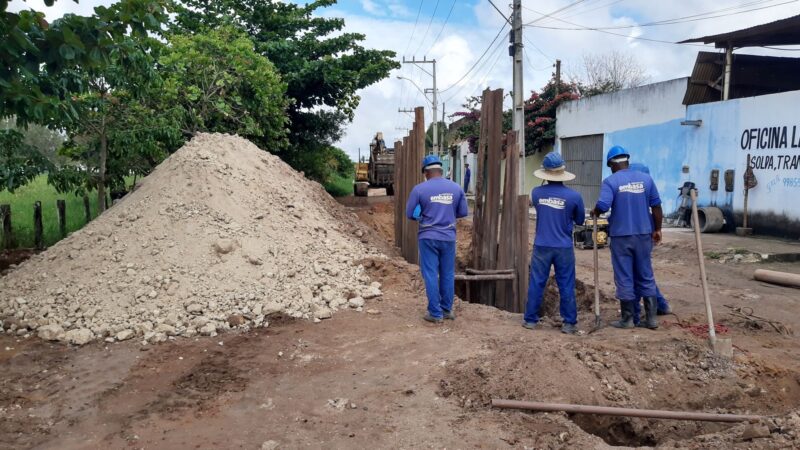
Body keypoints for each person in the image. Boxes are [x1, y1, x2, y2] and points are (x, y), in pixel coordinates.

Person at [593, 146, 663, 330]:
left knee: (624, 276)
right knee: (645, 274)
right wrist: (658, 229)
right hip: (643, 234)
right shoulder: (646, 179)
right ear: (627, 161)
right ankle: (652, 319)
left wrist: (595, 211)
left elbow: (603, 204)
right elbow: (656, 206)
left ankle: (628, 319)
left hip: (621, 236)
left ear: (611, 165)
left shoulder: (610, 181)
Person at [523, 152, 585, 334]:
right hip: (563, 247)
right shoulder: (574, 196)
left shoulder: (536, 193)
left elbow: (535, 205)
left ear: (545, 173)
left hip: (541, 245)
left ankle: (530, 320)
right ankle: (569, 323)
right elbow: (580, 220)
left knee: (536, 282)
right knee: (566, 284)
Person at [406, 155, 469, 323]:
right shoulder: (456, 188)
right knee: (448, 274)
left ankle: (435, 313)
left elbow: (410, 214)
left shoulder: (419, 189)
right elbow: (463, 213)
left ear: (426, 172)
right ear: (441, 170)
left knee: (431, 274)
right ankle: (447, 310)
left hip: (427, 237)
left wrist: (423, 213)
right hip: (448, 237)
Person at [629, 163, 671, 325]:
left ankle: (635, 314)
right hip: (645, 235)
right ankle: (659, 305)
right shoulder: (646, 198)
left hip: (638, 236)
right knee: (643, 273)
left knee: (637, 275)